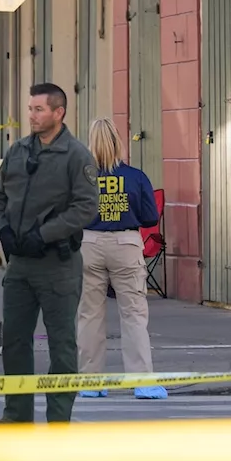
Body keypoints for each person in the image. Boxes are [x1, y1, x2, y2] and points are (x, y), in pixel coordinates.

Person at [0, 83, 99, 424]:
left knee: (61, 345)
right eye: (31, 108)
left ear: (58, 112)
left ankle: (58, 420)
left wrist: (45, 234)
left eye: (39, 109)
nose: (32, 116)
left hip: (58, 264)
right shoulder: (19, 151)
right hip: (20, 264)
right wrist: (3, 230)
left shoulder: (76, 155)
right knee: (15, 341)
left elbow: (86, 207)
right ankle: (16, 415)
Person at [75, 118, 165, 400]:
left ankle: (90, 381)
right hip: (126, 244)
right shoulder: (135, 177)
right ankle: (142, 381)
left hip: (88, 243)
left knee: (89, 315)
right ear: (118, 141)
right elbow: (151, 216)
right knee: (134, 314)